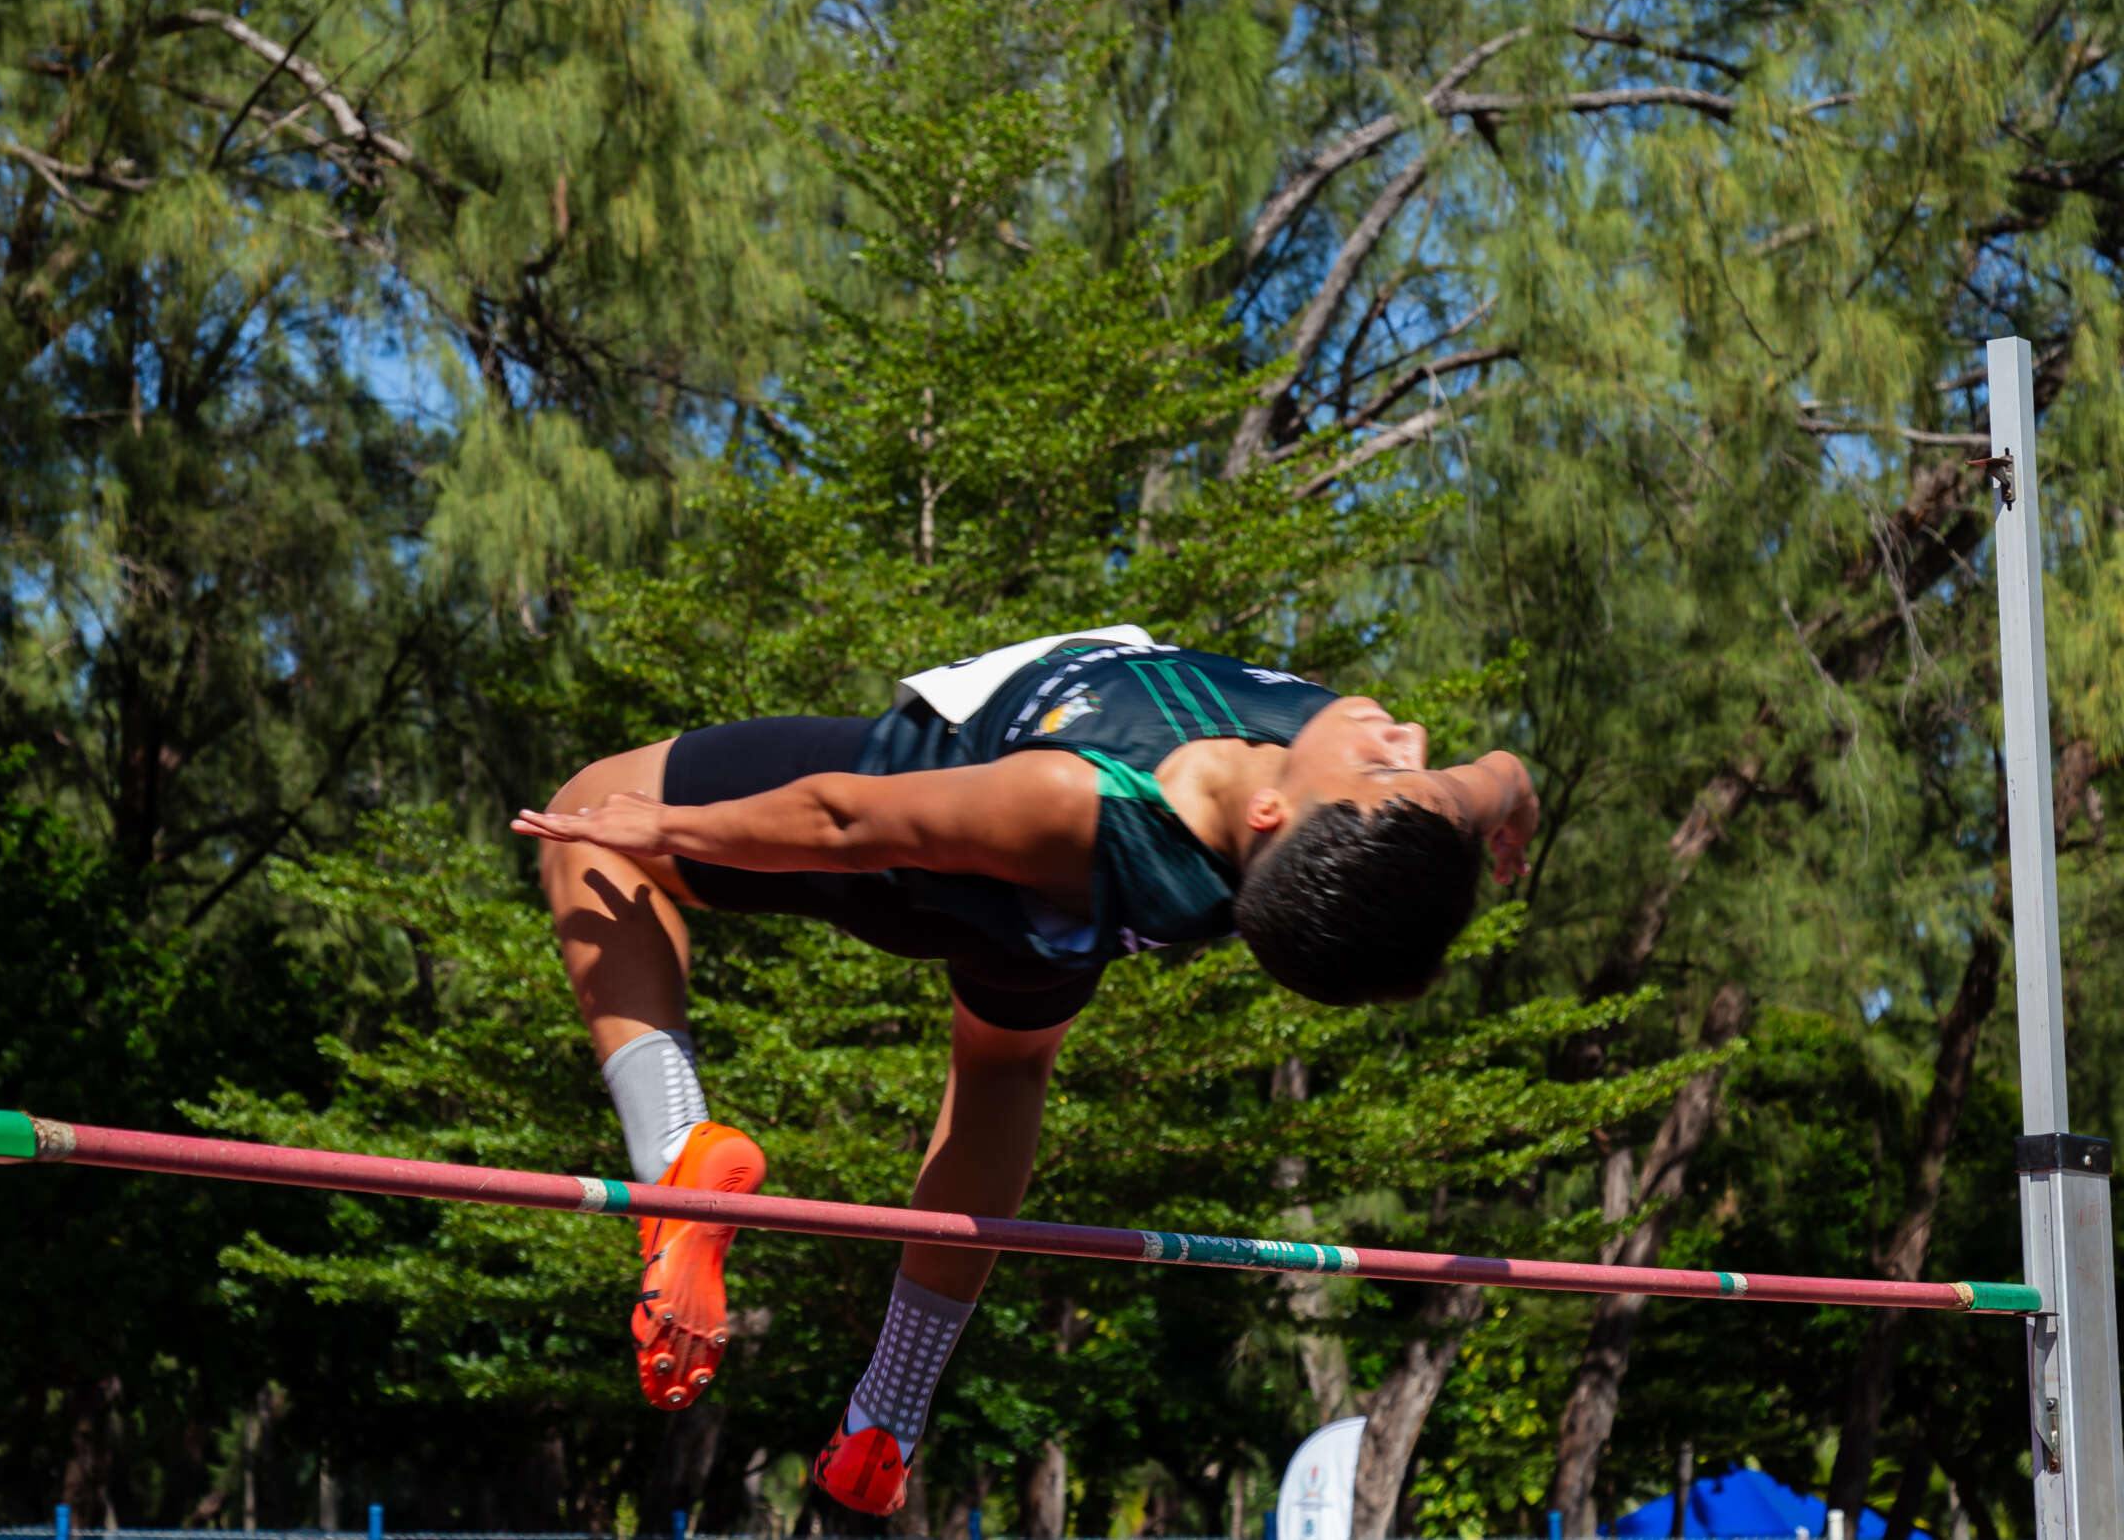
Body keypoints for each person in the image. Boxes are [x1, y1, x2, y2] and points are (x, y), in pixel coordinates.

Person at [512, 628, 1538, 1516]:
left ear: (1271, 815)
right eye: (1409, 758)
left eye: (1387, 765)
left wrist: (662, 830)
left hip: (943, 830)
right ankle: (885, 1422)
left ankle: (677, 1154)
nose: (1403, 736)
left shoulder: (1071, 798)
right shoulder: (1406, 820)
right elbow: (1497, 778)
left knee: (589, 815)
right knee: (1003, 1069)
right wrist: (1508, 805)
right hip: (1056, 931)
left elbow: (845, 822)